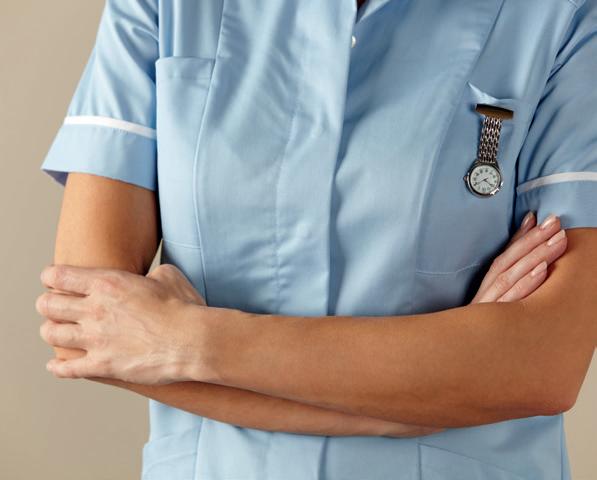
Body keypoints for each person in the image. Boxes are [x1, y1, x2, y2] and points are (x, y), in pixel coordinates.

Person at [36, 1, 597, 479]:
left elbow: (546, 358)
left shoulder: (560, 14)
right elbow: (87, 325)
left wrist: (188, 341)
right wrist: (412, 406)